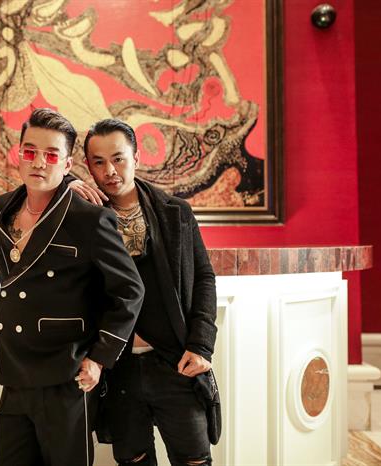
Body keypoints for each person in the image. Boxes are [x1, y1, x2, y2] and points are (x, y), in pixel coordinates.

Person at [0, 108, 144, 466]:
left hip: (66, 374)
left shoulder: (89, 217)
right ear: (18, 154)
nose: (38, 162)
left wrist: (99, 358)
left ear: (67, 164)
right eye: (30, 151)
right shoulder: (3, 207)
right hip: (14, 368)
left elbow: (130, 290)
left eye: (51, 155)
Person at [69, 118, 218, 466]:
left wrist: (201, 345)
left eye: (118, 158)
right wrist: (65, 186)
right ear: (88, 166)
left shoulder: (175, 212)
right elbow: (30, 197)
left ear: (136, 158)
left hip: (175, 361)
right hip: (116, 368)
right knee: (133, 461)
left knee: (195, 461)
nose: (110, 171)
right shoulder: (81, 217)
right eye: (98, 162)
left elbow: (204, 278)